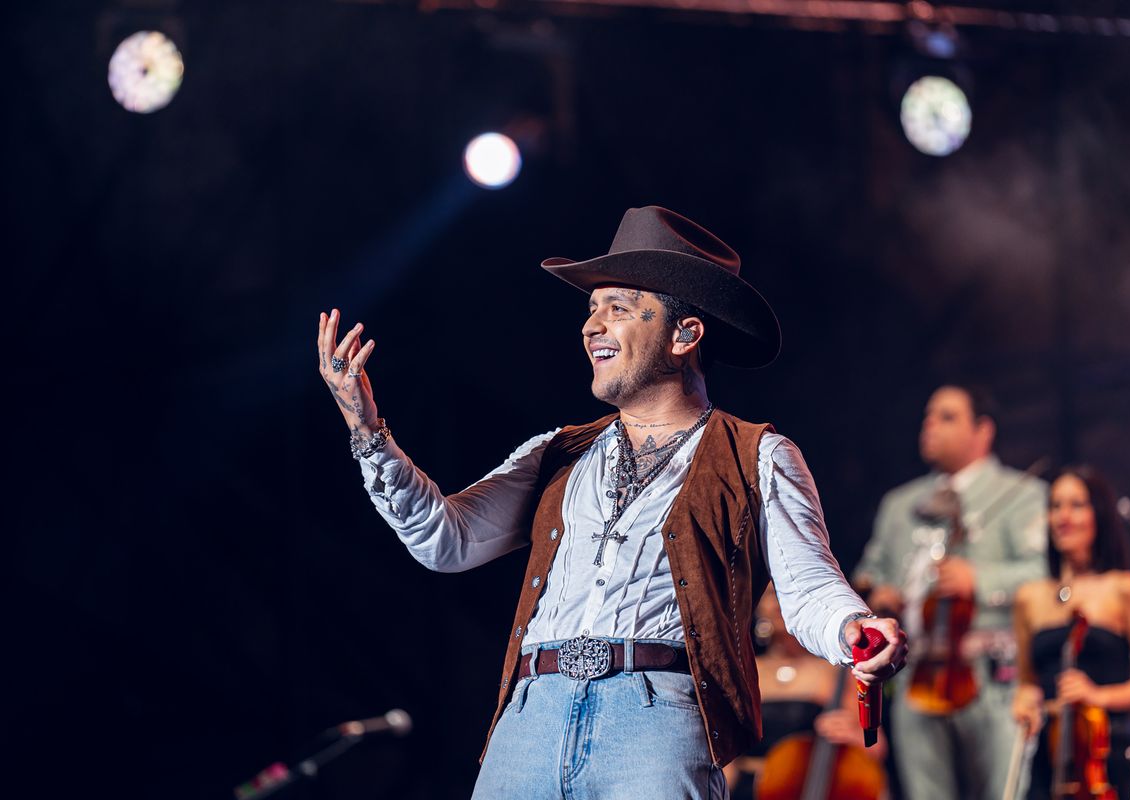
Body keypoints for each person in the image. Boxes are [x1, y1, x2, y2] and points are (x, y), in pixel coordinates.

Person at [316, 205, 908, 799]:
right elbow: (446, 541)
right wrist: (368, 431)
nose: (592, 325)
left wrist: (855, 627)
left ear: (685, 333)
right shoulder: (556, 453)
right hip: (531, 717)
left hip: (655, 721)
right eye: (590, 308)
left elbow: (807, 587)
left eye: (618, 307)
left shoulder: (758, 454)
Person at [852, 384, 1047, 800]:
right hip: (917, 672)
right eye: (928, 416)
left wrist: (981, 580)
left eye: (947, 417)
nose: (930, 425)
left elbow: (1044, 574)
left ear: (983, 431)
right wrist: (878, 595)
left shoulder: (1021, 495)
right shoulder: (899, 504)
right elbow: (869, 572)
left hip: (992, 675)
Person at [1011, 466, 1130, 800]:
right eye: (1055, 506)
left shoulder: (1124, 589)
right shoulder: (1029, 596)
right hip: (1047, 758)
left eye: (1076, 505)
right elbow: (1028, 681)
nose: (1063, 516)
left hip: (1103, 756)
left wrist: (1097, 697)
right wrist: (1025, 699)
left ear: (1098, 515)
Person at [724, 584, 887, 800]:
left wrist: (859, 739)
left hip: (815, 788)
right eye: (774, 595)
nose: (782, 604)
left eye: (794, 594)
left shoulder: (836, 672)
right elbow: (724, 759)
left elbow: (873, 744)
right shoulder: (743, 671)